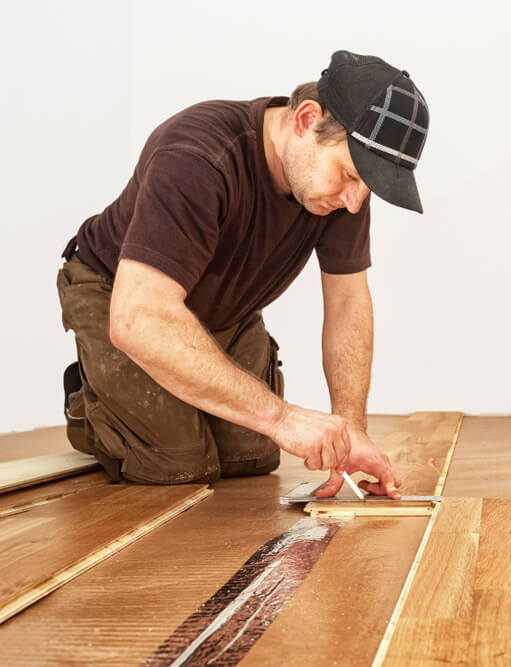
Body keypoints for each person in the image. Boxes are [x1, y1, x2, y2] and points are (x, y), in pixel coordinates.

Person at [56, 50, 429, 499]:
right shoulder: (198, 157)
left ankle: (175, 396)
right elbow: (140, 317)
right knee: (178, 464)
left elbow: (347, 301)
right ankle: (91, 395)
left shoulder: (342, 190)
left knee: (250, 457)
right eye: (350, 175)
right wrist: (282, 417)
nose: (354, 202)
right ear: (305, 120)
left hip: (222, 311)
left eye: (367, 187)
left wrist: (351, 430)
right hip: (123, 295)